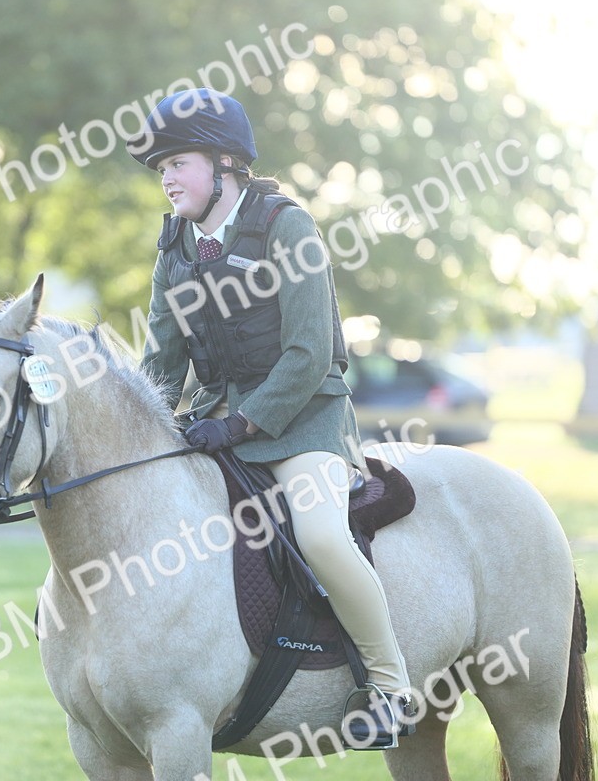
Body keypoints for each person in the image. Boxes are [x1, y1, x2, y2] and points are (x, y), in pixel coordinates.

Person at [127, 88, 414, 748]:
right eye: (160, 167)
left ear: (225, 161)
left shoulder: (287, 225)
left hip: (304, 423)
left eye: (179, 161)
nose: (166, 176)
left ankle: (392, 688)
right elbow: (162, 362)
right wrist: (152, 429)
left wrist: (243, 423)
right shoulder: (174, 249)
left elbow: (310, 353)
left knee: (319, 534)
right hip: (217, 422)